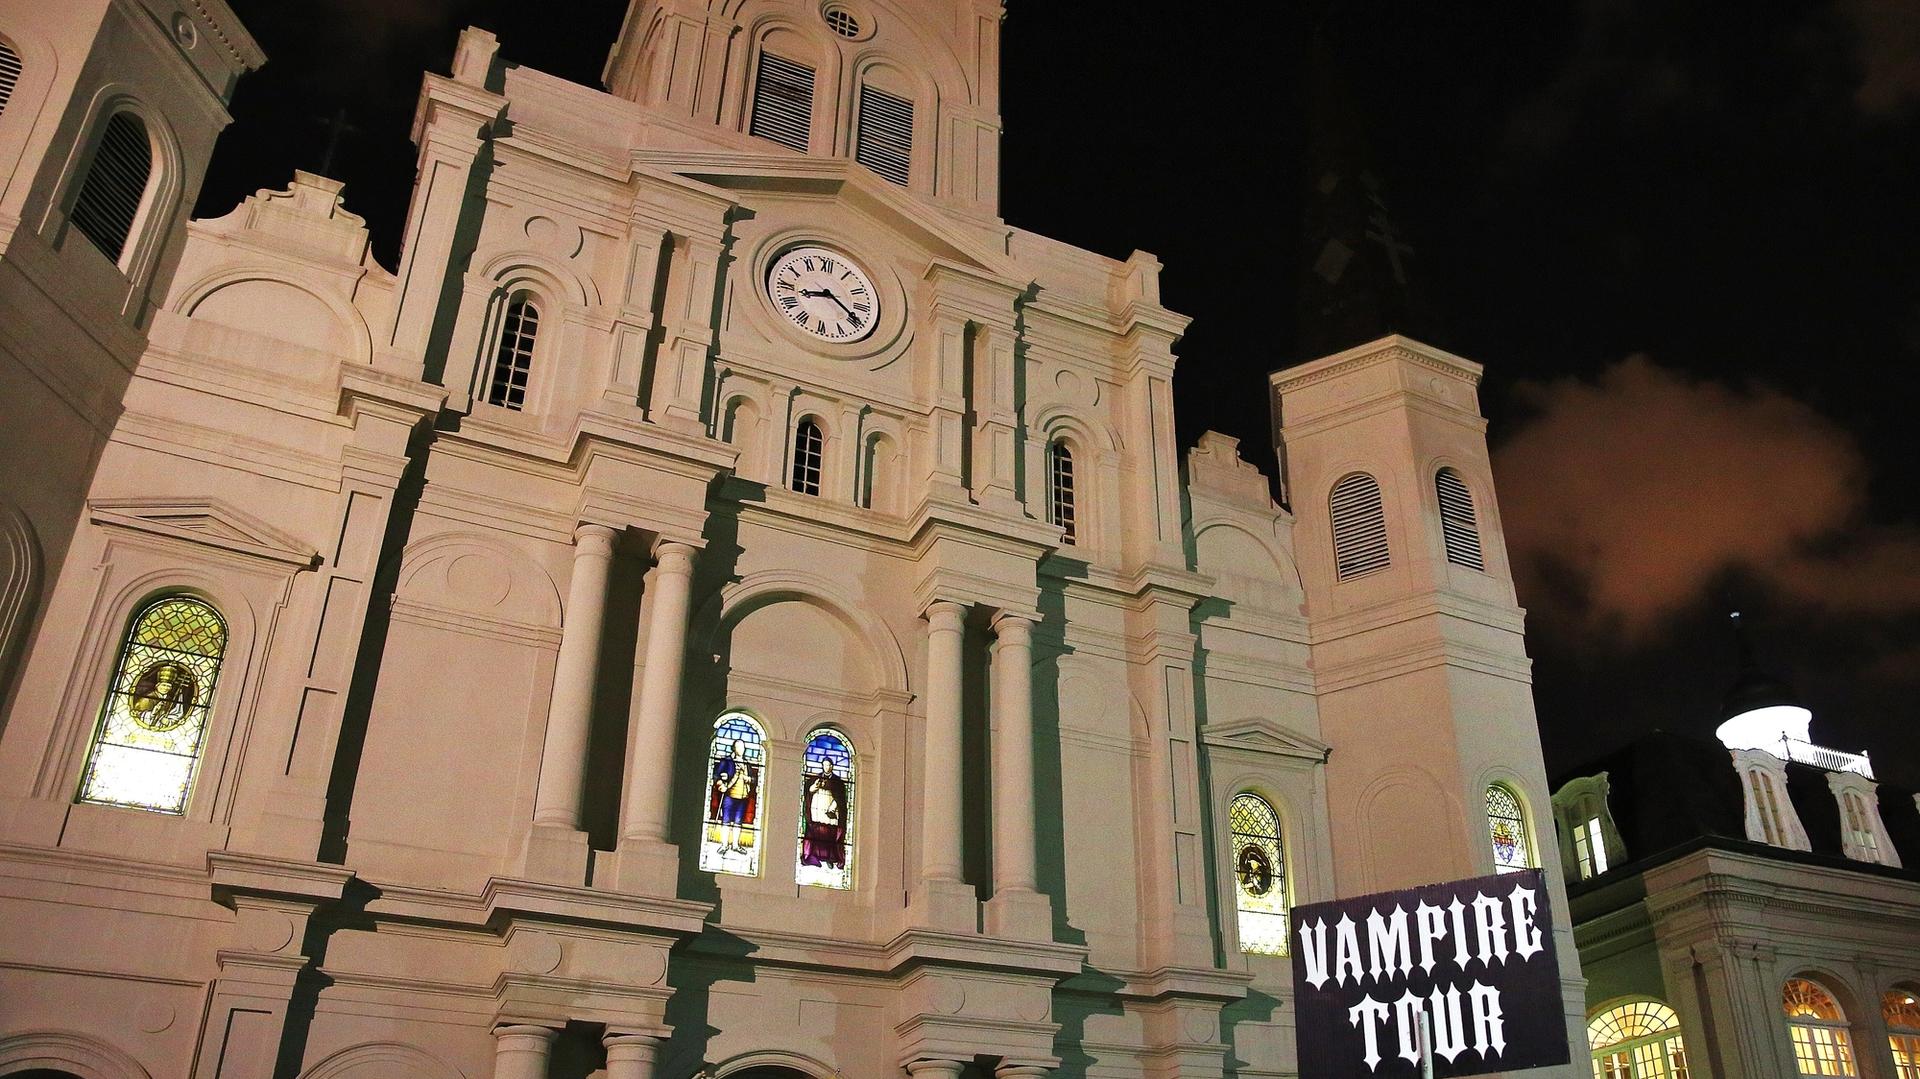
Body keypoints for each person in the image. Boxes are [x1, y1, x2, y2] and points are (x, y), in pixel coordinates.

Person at [709, 739, 758, 855]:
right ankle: (724, 844)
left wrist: (749, 779)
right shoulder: (727, 761)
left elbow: (754, 779)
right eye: (739, 747)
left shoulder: (746, 763)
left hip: (743, 796)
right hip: (729, 795)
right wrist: (720, 783)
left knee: (738, 821)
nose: (741, 750)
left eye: (743, 748)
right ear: (734, 748)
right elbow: (716, 775)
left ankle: (735, 845)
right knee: (726, 820)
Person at [800, 758, 848, 870]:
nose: (827, 767)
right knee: (817, 833)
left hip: (831, 811)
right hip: (817, 810)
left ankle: (830, 859)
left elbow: (840, 798)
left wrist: (832, 808)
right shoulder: (816, 778)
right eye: (825, 765)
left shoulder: (838, 782)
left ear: (832, 766)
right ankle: (814, 856)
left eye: (829, 765)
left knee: (830, 834)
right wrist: (815, 787)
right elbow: (809, 790)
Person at [128, 661, 195, 733]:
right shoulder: (147, 699)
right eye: (163, 685)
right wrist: (152, 713)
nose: (166, 688)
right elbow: (137, 715)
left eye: (168, 686)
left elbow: (175, 715)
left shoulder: (170, 700)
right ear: (157, 685)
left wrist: (168, 722)